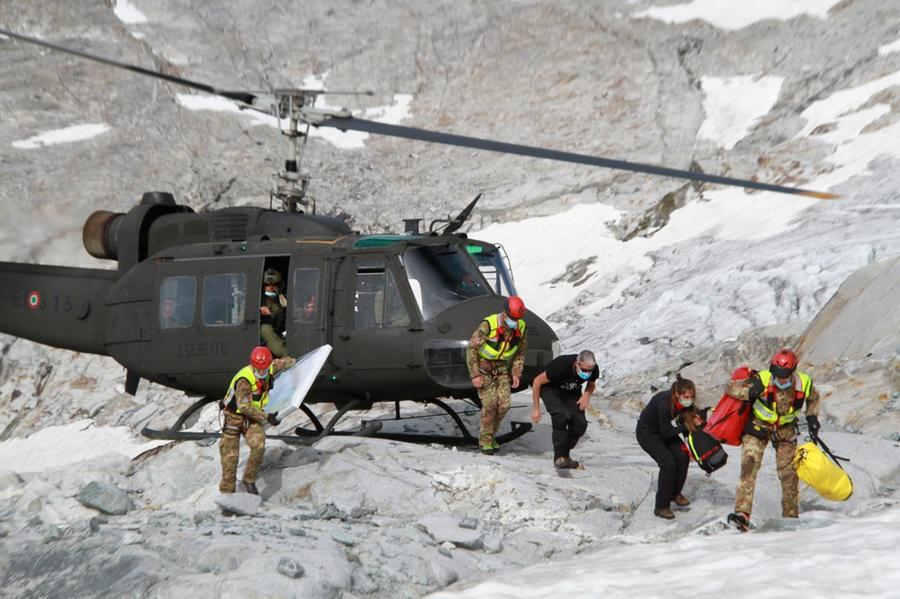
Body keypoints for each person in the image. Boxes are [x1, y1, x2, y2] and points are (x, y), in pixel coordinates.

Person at [726, 348, 821, 530]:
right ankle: (742, 514)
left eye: (785, 376)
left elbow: (814, 399)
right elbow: (731, 388)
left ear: (793, 372)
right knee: (749, 468)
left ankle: (790, 517)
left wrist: (812, 416)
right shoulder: (761, 379)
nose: (780, 379)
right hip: (758, 428)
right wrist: (751, 391)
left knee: (788, 474)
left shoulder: (804, 382)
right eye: (777, 375)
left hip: (785, 431)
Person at [219, 346, 295, 494]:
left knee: (258, 444)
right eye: (259, 370)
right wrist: (267, 417)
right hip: (234, 416)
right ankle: (227, 493)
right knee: (230, 457)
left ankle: (249, 481)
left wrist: (293, 362)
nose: (262, 372)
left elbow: (283, 363)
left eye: (264, 369)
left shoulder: (270, 367)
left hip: (252, 418)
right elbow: (245, 406)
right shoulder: (244, 380)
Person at [467, 296, 528, 454]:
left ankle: (490, 435)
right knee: (491, 405)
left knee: (504, 405)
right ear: (505, 313)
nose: (515, 321)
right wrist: (475, 374)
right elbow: (472, 348)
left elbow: (520, 352)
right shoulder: (489, 324)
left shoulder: (520, 327)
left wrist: (516, 372)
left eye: (517, 318)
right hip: (484, 368)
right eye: (512, 318)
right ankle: (485, 440)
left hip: (502, 370)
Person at [635, 375, 702, 519]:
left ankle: (675, 493)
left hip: (664, 431)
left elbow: (689, 418)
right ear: (677, 394)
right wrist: (686, 426)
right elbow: (666, 434)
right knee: (668, 464)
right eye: (686, 396)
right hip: (648, 433)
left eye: (691, 397)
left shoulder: (685, 403)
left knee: (683, 455)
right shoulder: (664, 404)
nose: (689, 399)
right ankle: (661, 506)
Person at [530, 349, 599, 469]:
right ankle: (559, 457)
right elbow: (536, 382)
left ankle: (564, 455)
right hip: (550, 388)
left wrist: (586, 395)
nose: (587, 373)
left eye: (589, 371)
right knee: (561, 414)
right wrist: (536, 408)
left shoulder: (593, 368)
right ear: (577, 363)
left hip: (571, 391)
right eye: (584, 370)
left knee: (580, 424)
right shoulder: (561, 365)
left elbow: (591, 384)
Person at [260, 268, 288, 357]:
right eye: (267, 285)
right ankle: (285, 354)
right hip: (266, 338)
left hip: (282, 333)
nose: (270, 288)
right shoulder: (258, 300)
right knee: (265, 328)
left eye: (274, 285)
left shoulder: (283, 299)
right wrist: (259, 311)